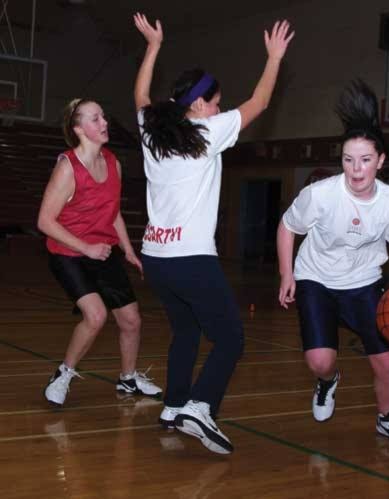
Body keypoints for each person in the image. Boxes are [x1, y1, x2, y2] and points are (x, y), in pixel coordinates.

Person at [133, 12, 294, 454]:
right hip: (189, 258)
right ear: (201, 104)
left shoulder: (152, 130)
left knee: (185, 330)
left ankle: (173, 403)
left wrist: (152, 47)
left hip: (155, 257)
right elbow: (260, 102)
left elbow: (142, 94)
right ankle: (199, 407)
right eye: (217, 101)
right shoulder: (207, 131)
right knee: (230, 338)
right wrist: (275, 58)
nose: (221, 108)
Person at [277, 79, 389, 445]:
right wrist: (287, 274)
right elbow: (287, 227)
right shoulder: (320, 195)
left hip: (363, 282)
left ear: (380, 161)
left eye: (364, 160)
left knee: (388, 362)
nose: (356, 169)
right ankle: (328, 381)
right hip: (315, 279)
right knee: (319, 360)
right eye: (348, 160)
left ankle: (387, 418)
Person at [37, 98, 162, 406]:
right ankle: (64, 373)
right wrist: (86, 248)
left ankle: (128, 378)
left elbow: (113, 213)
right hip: (67, 252)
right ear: (78, 129)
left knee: (131, 320)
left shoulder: (113, 163)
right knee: (95, 316)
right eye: (95, 119)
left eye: (104, 117)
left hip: (102, 251)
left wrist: (129, 250)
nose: (104, 122)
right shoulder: (68, 167)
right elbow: (44, 221)